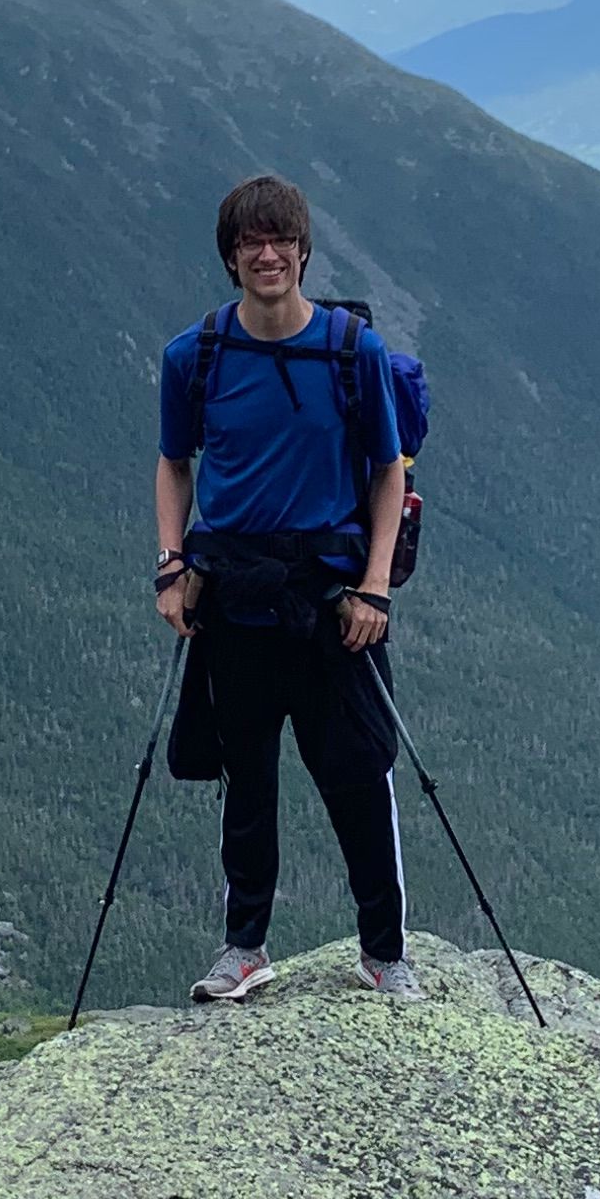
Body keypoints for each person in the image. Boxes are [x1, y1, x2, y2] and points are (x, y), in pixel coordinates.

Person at [155, 173, 419, 1003]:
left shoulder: (352, 352)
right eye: (249, 243)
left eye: (280, 241)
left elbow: (386, 471)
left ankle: (385, 953)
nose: (266, 254)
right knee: (247, 779)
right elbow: (174, 462)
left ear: (303, 251)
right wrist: (171, 565)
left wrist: (375, 588)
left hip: (333, 604)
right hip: (234, 595)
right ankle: (245, 947)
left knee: (357, 779)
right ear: (232, 258)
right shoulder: (194, 357)